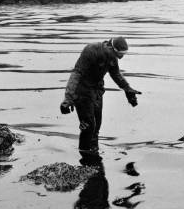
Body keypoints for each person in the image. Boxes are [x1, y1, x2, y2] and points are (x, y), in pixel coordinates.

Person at [60, 36, 141, 165]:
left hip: (97, 91)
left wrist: (128, 90)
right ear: (110, 47)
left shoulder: (112, 57)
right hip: (82, 92)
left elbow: (116, 75)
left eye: (122, 55)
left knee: (97, 126)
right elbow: (77, 73)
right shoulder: (91, 50)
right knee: (88, 127)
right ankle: (85, 156)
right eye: (119, 54)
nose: (120, 58)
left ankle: (94, 154)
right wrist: (68, 98)